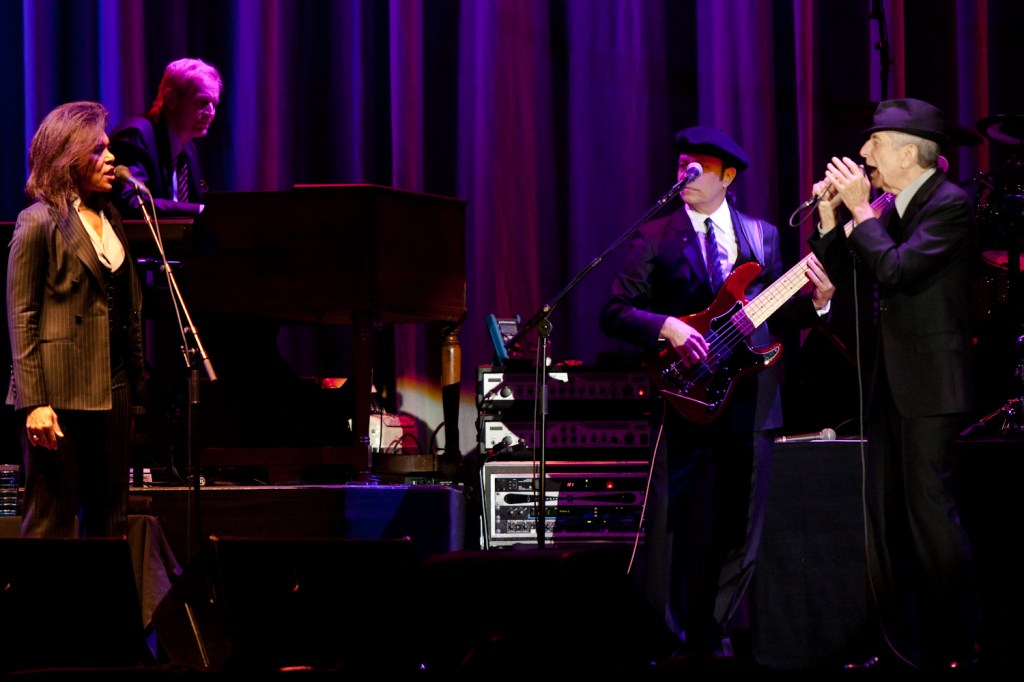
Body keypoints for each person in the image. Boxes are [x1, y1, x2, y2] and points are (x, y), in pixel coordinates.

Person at [599, 126, 836, 662]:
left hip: (751, 396)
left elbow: (777, 316)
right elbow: (613, 312)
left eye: (697, 168)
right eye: (682, 164)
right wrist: (668, 327)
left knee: (740, 524)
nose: (685, 176)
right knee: (677, 520)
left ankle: (716, 630)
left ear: (727, 177)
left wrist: (817, 304)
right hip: (687, 397)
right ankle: (666, 634)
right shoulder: (654, 236)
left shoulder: (762, 236)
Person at [812, 97, 983, 669]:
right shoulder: (891, 205)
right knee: (882, 515)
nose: (863, 156)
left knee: (930, 514)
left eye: (875, 145)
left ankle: (962, 642)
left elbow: (898, 269)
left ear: (910, 153)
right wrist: (834, 218)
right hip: (890, 381)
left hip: (932, 387)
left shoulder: (950, 205)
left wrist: (863, 215)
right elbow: (845, 271)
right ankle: (894, 642)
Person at [6, 101, 147, 538]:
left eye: (108, 149)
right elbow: (21, 315)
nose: (111, 158)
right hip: (59, 396)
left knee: (110, 524)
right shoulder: (39, 221)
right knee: (50, 521)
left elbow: (127, 307)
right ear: (68, 156)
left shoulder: (113, 218)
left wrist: (135, 390)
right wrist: (34, 402)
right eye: (98, 150)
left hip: (114, 389)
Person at [109, 57, 223, 218]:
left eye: (214, 104)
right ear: (171, 99)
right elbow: (135, 203)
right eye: (202, 102)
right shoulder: (136, 135)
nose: (211, 112)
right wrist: (200, 210)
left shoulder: (188, 148)